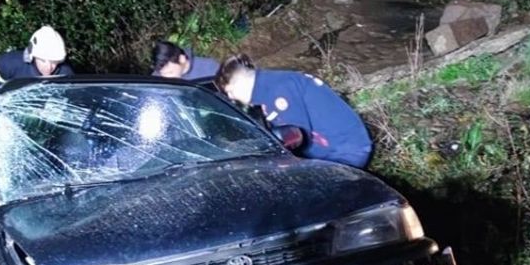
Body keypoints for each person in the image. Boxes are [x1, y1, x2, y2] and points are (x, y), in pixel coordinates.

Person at [215, 54, 372, 168]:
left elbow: (293, 138)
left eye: (230, 92)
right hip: (332, 150)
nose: (233, 98)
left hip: (343, 152)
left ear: (237, 84)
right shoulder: (271, 84)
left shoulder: (279, 90)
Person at [0, 25, 74, 93]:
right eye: (43, 61)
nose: (49, 67)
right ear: (32, 56)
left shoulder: (65, 74)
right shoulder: (11, 63)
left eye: (54, 62)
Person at [150, 40, 220, 81]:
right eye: (163, 74)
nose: (167, 78)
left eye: (170, 73)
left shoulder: (209, 69)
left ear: (181, 59)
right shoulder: (156, 77)